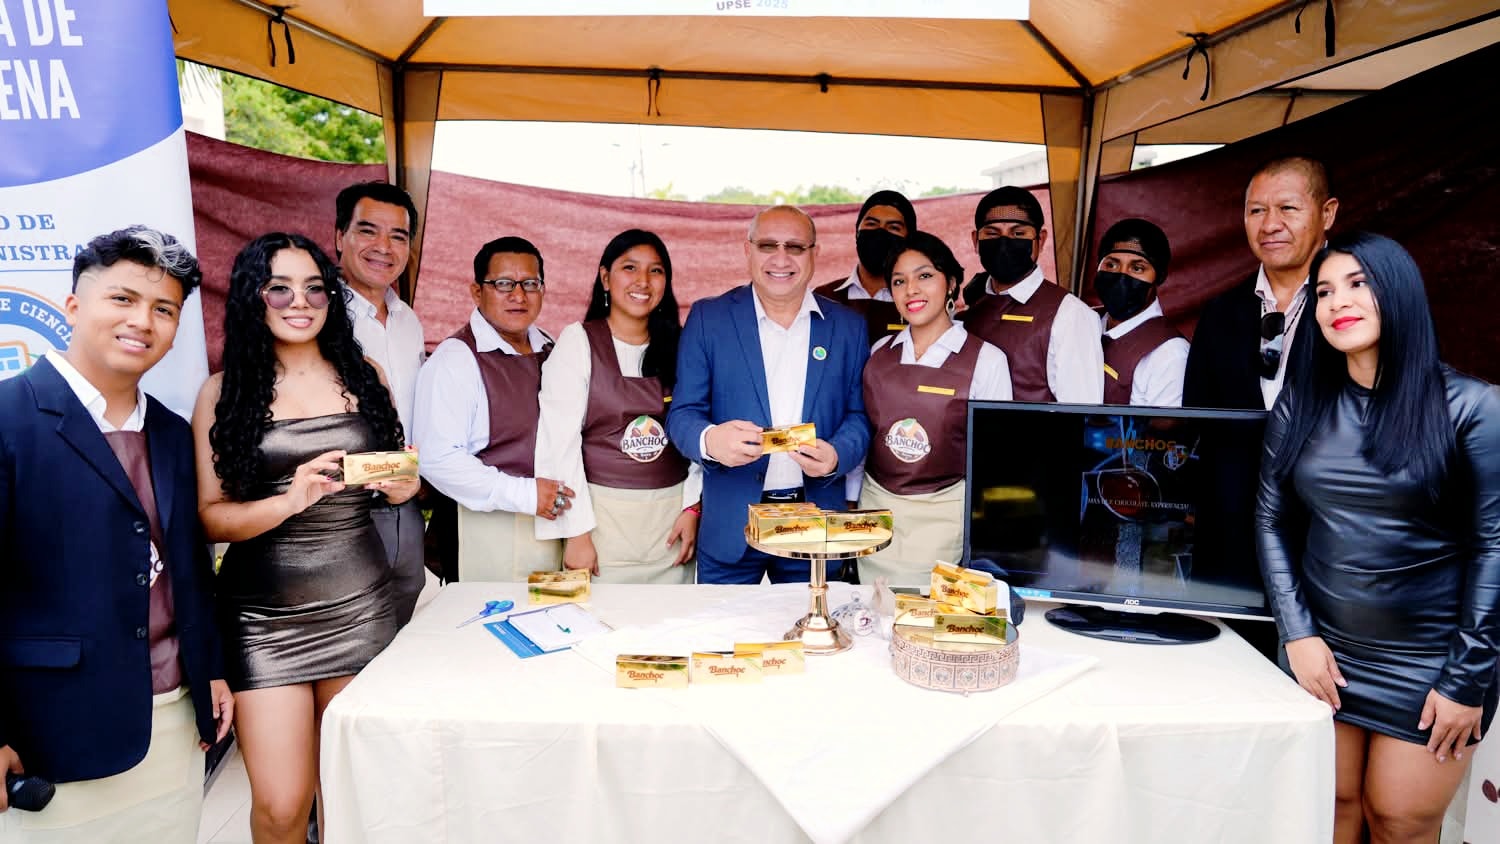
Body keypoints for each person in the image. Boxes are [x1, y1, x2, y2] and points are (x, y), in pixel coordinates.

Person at [1256, 231, 1499, 844]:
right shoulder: (1299, 405)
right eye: (1323, 291)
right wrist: (1297, 633)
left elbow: (1495, 547)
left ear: (1399, 292)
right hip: (1323, 652)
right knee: (1329, 812)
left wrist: (1466, 678)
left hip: (1431, 662)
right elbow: (1271, 521)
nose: (1338, 301)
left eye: (1358, 284)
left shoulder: (1474, 406)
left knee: (1398, 820)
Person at [0, 227, 232, 842]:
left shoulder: (173, 432)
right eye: (123, 299)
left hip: (173, 726)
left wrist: (208, 668)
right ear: (73, 305)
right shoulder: (8, 418)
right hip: (51, 733)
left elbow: (189, 567)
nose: (142, 321)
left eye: (164, 309)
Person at [192, 233, 415, 844]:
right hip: (263, 620)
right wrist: (288, 501)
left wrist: (403, 485)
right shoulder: (222, 392)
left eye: (315, 288)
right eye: (280, 288)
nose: (300, 302)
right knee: (282, 807)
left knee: (353, 799)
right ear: (252, 298)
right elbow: (210, 517)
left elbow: (396, 477)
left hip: (360, 606)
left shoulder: (364, 376)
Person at [667, 205, 871, 584]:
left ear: (814, 254)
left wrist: (836, 456)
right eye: (767, 246)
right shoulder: (709, 318)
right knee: (724, 624)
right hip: (731, 521)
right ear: (748, 251)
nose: (781, 259)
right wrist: (710, 440)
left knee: (809, 622)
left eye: (795, 247)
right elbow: (683, 413)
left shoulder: (848, 327)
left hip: (813, 520)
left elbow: (859, 416)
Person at [535, 230, 700, 583]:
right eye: (630, 268)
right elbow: (557, 445)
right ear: (605, 277)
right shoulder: (579, 342)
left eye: (656, 271)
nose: (643, 281)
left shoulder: (683, 344)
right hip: (601, 525)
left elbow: (699, 428)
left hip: (671, 525)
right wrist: (576, 534)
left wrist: (693, 508)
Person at [857, 231, 1011, 584]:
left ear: (951, 283)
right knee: (874, 606)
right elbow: (865, 431)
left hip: (945, 514)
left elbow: (995, 458)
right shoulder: (879, 352)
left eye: (924, 276)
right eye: (899, 281)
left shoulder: (986, 360)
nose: (911, 289)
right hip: (876, 508)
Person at [413, 236, 570, 582]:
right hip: (484, 529)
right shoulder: (456, 359)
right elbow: (437, 458)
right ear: (476, 291)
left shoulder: (549, 346)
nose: (519, 295)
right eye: (503, 284)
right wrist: (525, 494)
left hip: (549, 519)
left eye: (530, 284)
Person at [334, 180, 428, 625]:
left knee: (403, 627)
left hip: (404, 504)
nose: (384, 248)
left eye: (398, 236)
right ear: (340, 237)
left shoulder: (408, 319)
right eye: (368, 231)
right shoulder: (317, 315)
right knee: (350, 635)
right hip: (337, 510)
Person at [1184, 156, 1339, 411]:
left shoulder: (1360, 301)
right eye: (1257, 210)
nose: (1269, 225)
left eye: (1287, 208)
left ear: (1327, 213)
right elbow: (1197, 417)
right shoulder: (1221, 312)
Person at [958, 186, 1103, 403]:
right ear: (975, 241)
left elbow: (1081, 411)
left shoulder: (1070, 314)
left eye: (1018, 234)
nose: (1004, 243)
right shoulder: (970, 312)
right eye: (992, 233)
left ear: (1040, 240)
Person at [1092, 218, 1189, 406]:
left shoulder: (1170, 354)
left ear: (1159, 277)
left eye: (1137, 268)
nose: (1121, 275)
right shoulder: (1083, 322)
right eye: (1111, 265)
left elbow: (1163, 423)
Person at [813, 189, 914, 346]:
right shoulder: (824, 297)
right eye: (872, 224)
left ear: (909, 240)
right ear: (857, 233)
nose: (880, 232)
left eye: (893, 227)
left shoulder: (917, 300)